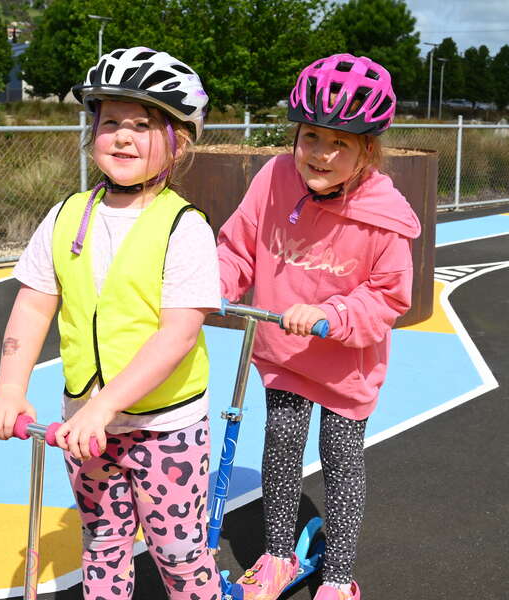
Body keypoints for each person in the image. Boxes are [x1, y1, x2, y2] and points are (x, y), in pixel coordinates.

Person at [0, 47, 221, 600]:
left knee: (179, 556)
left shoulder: (185, 228)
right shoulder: (65, 215)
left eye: (142, 124)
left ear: (179, 140)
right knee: (103, 544)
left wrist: (106, 407)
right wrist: (10, 390)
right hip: (84, 422)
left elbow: (177, 334)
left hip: (165, 428)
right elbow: (34, 304)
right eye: (110, 122)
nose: (123, 137)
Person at [217, 54, 421, 600]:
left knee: (340, 457)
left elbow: (388, 295)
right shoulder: (275, 178)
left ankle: (338, 578)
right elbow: (238, 245)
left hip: (345, 364)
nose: (321, 154)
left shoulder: (385, 215)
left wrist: (333, 316)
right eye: (311, 137)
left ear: (366, 152)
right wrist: (210, 285)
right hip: (283, 351)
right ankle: (279, 556)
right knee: (280, 448)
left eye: (340, 143)